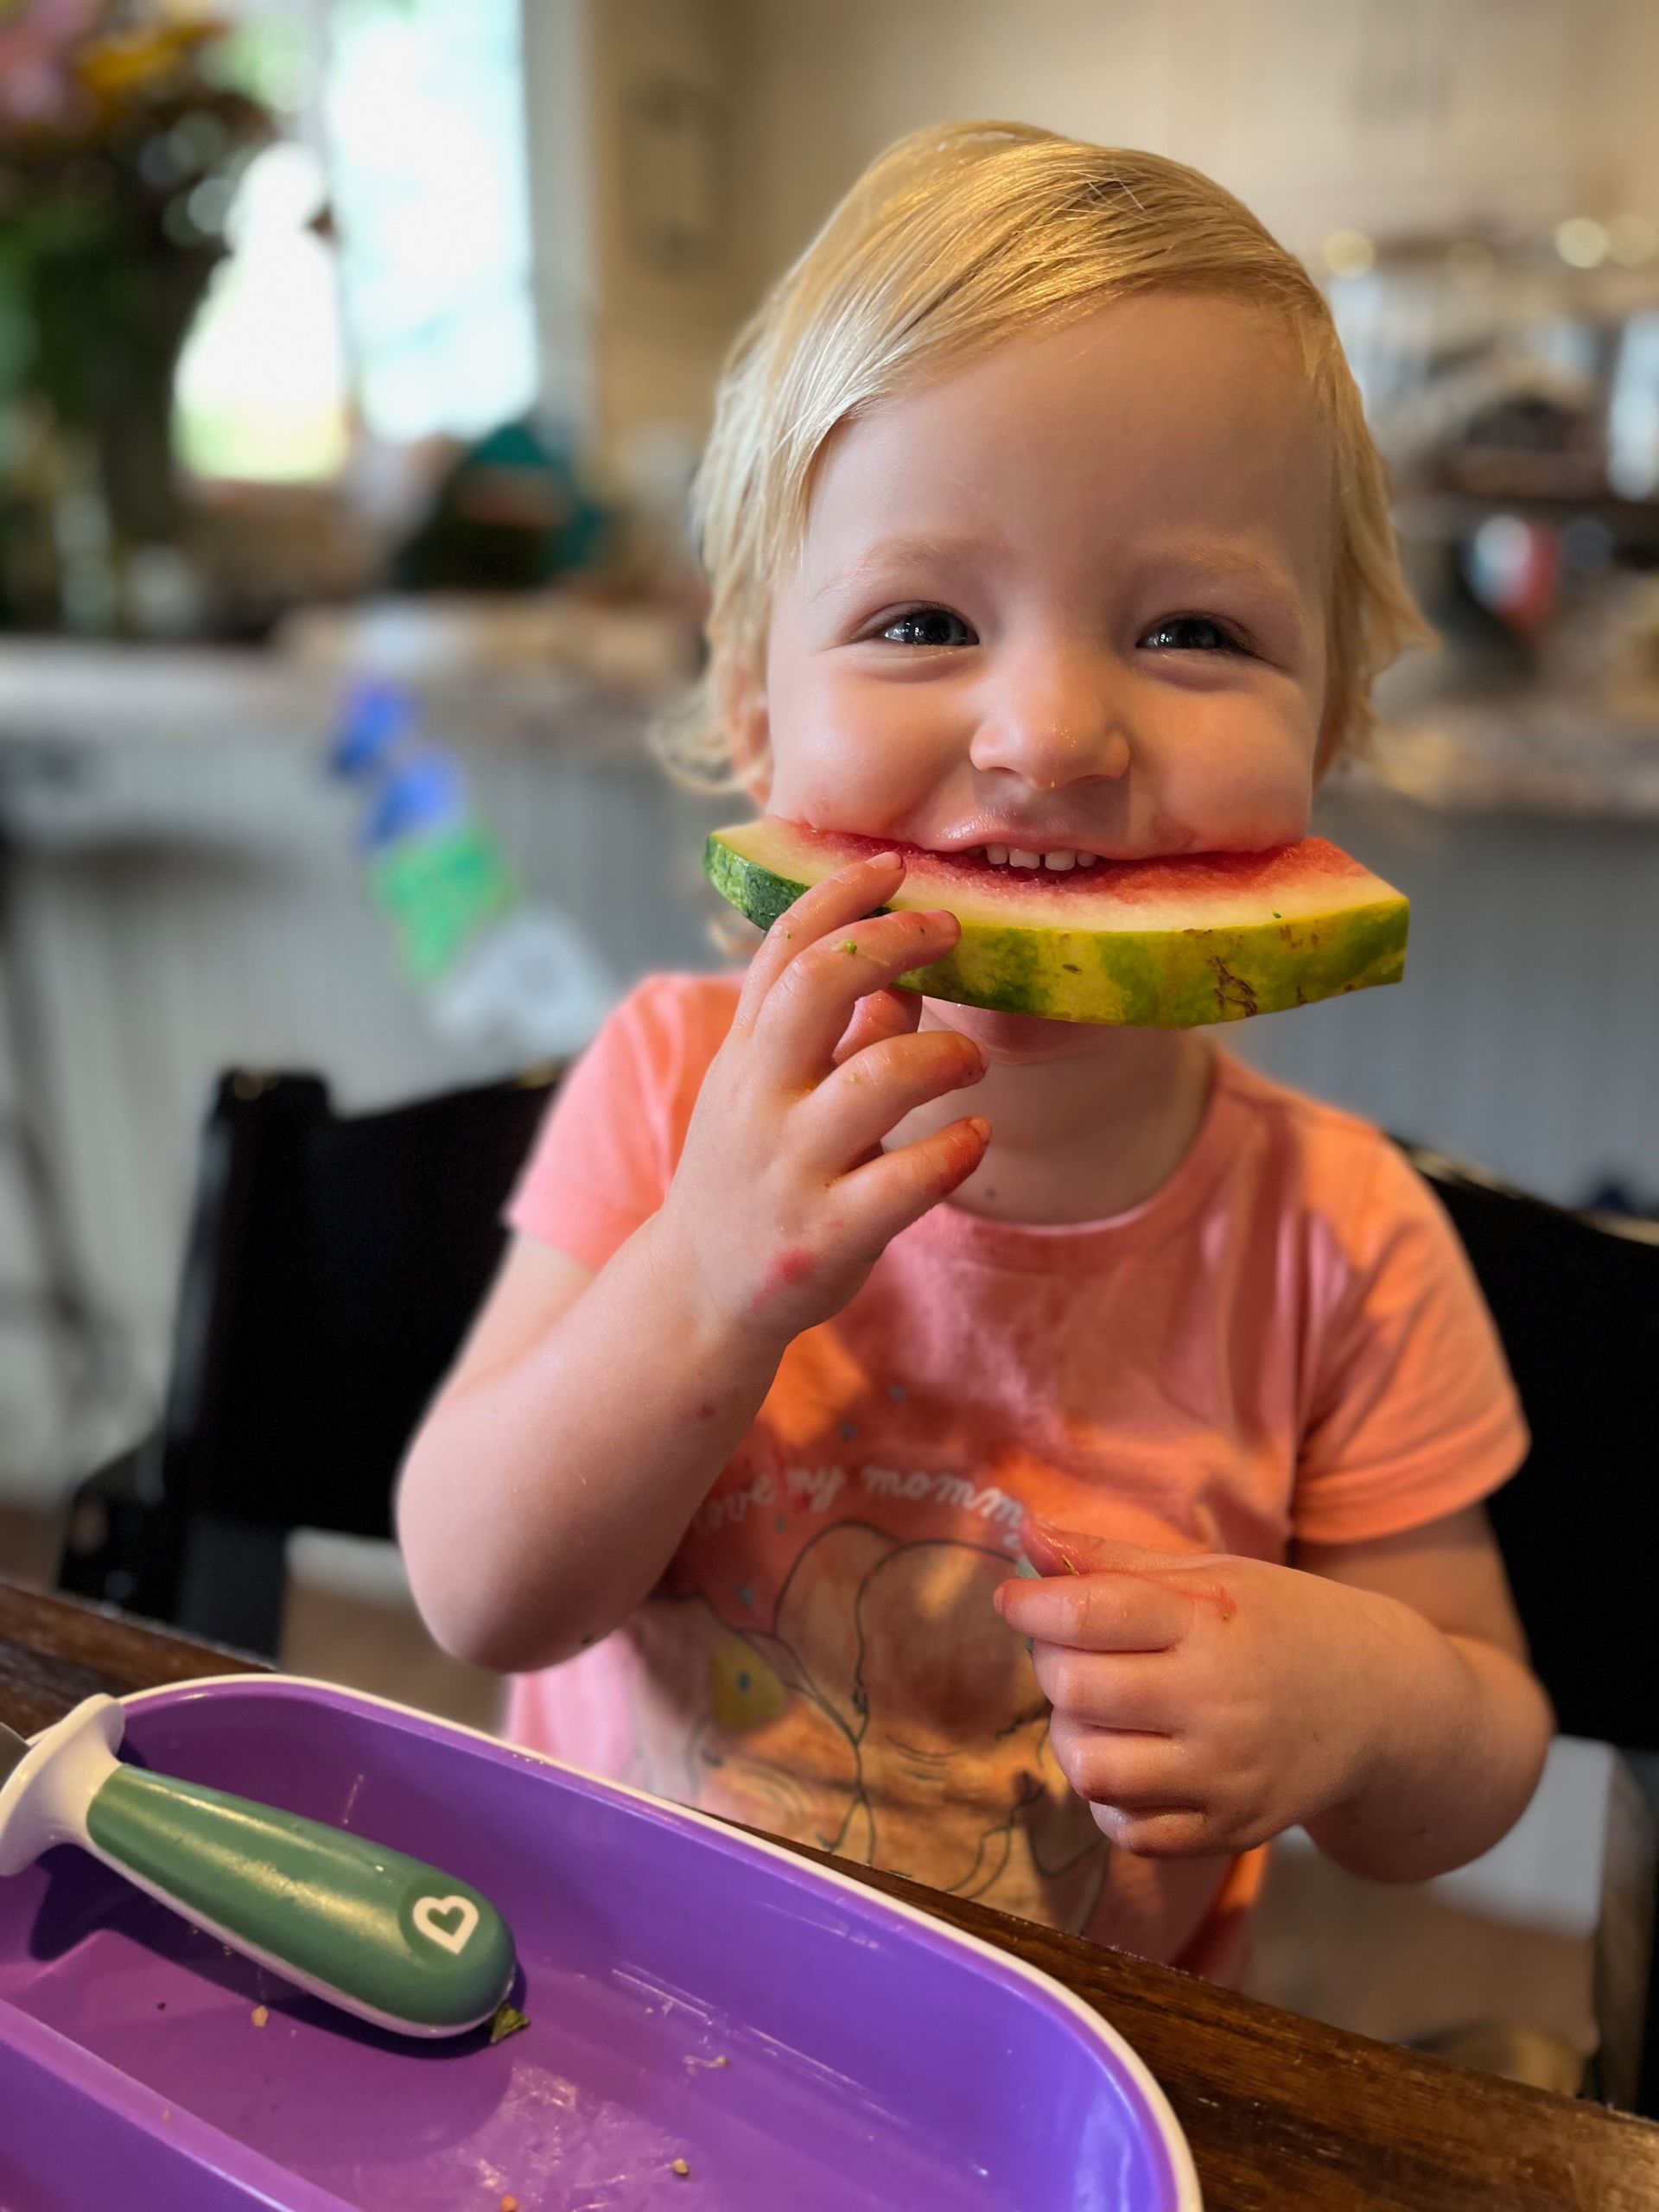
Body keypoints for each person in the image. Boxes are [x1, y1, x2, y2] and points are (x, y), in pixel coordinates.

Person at [398, 122, 1553, 1981]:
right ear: (752, 711)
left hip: (1082, 2085)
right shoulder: (664, 1087)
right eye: (924, 619)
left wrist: (1379, 1706)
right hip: (615, 2007)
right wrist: (702, 1275)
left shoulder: (1340, 1236)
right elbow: (480, 1588)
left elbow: (1476, 1758)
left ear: (1327, 729)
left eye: (1192, 629)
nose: (1050, 730)